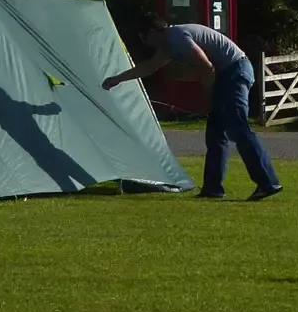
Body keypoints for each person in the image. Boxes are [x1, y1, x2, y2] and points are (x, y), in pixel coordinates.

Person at [102, 16, 283, 201]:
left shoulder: (177, 36)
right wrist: (117, 79)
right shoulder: (168, 45)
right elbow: (149, 67)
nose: (145, 43)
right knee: (215, 135)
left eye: (144, 37)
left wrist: (210, 95)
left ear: (153, 32)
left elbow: (207, 66)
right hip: (226, 75)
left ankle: (268, 182)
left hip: (234, 71)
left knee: (239, 128)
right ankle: (212, 189)